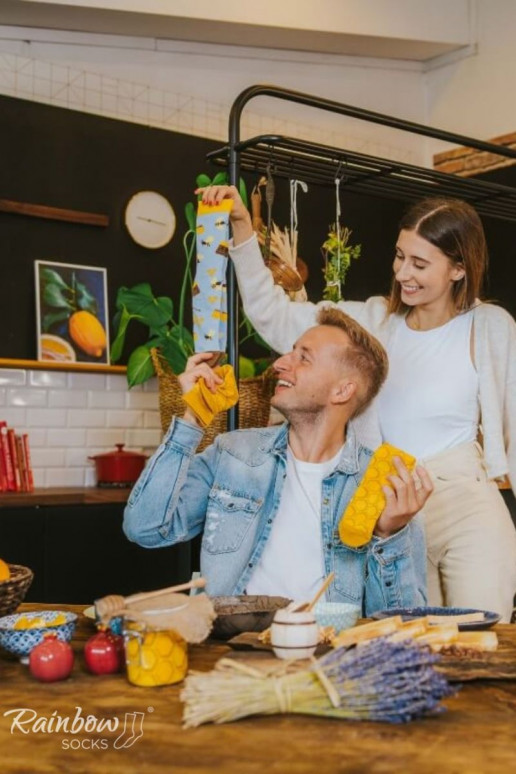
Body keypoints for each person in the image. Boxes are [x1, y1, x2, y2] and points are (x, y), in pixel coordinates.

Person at [198, 184, 516, 621]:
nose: (403, 273)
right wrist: (242, 229)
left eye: (420, 263)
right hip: (389, 504)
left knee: (486, 638)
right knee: (412, 641)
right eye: (400, 256)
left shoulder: (490, 326)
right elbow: (274, 316)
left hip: (466, 501)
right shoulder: (371, 321)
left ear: (458, 269)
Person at [123, 308, 433, 614]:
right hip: (236, 649)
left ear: (342, 390)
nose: (280, 364)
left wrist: (389, 534)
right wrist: (192, 418)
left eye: (303, 358)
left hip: (326, 653)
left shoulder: (381, 486)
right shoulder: (233, 453)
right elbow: (146, 529)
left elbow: (401, 622)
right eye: (289, 353)